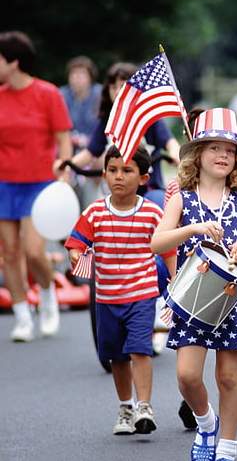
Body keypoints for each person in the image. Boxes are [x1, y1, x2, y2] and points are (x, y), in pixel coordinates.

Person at [151, 108, 237, 461]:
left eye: (229, 150)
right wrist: (192, 229)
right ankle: (206, 423)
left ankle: (227, 446)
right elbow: (157, 243)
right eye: (214, 148)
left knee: (229, 377)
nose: (222, 156)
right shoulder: (182, 198)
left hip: (232, 299)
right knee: (188, 376)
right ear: (197, 155)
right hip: (192, 298)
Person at [65, 144, 162, 435]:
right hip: (107, 297)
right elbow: (76, 241)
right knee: (117, 357)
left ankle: (144, 406)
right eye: (112, 170)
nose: (119, 176)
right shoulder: (94, 212)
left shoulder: (152, 213)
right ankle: (126, 406)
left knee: (140, 350)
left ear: (144, 178)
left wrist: (172, 279)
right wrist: (75, 254)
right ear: (105, 173)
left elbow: (167, 247)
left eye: (127, 171)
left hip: (142, 294)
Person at [0, 31, 72, 342]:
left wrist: (64, 170)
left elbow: (63, 139)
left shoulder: (47, 94)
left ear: (13, 62)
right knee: (9, 253)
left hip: (40, 184)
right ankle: (22, 317)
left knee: (32, 251)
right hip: (4, 183)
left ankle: (46, 294)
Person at [70, 62, 181, 205]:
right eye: (113, 87)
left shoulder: (149, 117)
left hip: (149, 188)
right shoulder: (107, 121)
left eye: (122, 87)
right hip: (115, 192)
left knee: (159, 203)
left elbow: (170, 142)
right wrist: (67, 165)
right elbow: (90, 152)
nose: (117, 92)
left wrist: (175, 154)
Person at [60, 55, 101, 150]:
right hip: (68, 144)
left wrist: (88, 140)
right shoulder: (61, 94)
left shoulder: (101, 94)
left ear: (91, 77)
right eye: (73, 73)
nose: (77, 77)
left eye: (82, 74)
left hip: (95, 145)